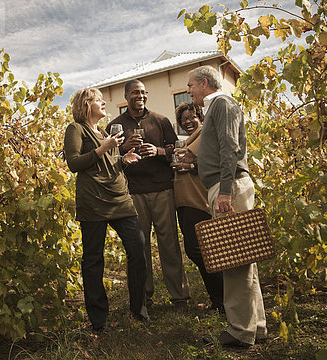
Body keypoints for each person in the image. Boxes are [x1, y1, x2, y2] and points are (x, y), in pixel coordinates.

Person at [182, 65, 267, 348]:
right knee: (243, 258)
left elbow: (230, 146)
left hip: (228, 187)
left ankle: (241, 332)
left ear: (204, 83)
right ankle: (256, 326)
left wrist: (226, 192)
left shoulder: (222, 103)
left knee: (234, 261)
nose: (189, 90)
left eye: (191, 85)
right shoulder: (216, 107)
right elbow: (220, 149)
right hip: (223, 185)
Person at [63, 87, 149, 333]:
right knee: (93, 260)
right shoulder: (76, 129)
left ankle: (139, 307)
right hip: (94, 201)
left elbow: (107, 163)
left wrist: (123, 159)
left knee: (137, 247)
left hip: (120, 199)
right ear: (86, 104)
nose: (103, 103)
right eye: (98, 100)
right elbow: (74, 163)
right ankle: (99, 319)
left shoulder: (102, 131)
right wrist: (104, 146)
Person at [107, 79, 190, 311]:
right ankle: (144, 297)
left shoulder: (160, 120)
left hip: (163, 189)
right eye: (135, 92)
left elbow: (177, 150)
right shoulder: (115, 125)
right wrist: (124, 148)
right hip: (133, 193)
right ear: (126, 97)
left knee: (170, 244)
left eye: (143, 92)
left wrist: (158, 151)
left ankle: (180, 297)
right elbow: (109, 159)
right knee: (139, 247)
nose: (140, 96)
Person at [172, 102, 224, 312]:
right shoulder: (188, 141)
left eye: (191, 117)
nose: (187, 122)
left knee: (201, 251)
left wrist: (190, 167)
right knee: (198, 251)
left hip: (198, 201)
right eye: (183, 120)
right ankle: (218, 300)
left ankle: (222, 300)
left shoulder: (205, 136)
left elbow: (210, 164)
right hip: (185, 202)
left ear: (200, 117)